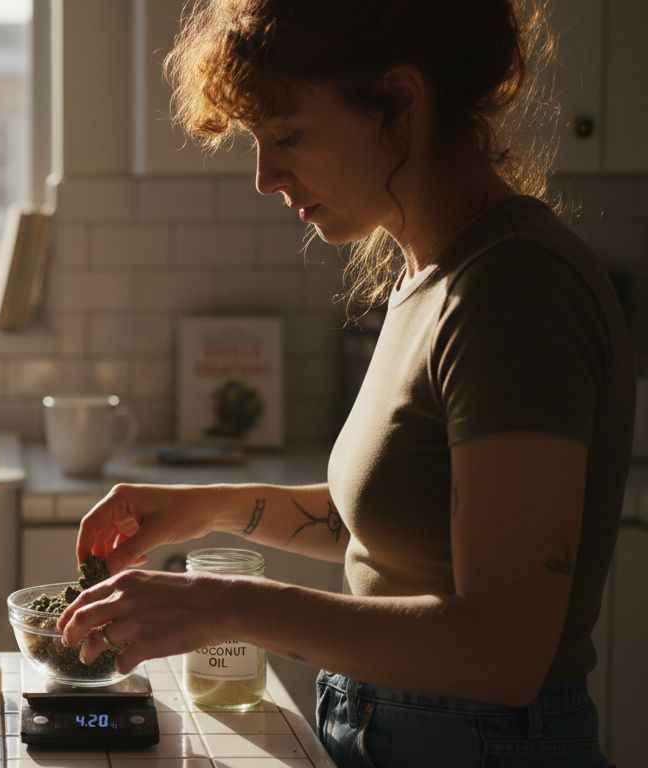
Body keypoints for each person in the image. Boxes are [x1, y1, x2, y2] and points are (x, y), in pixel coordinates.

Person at [54, 0, 635, 765]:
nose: (265, 177)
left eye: (287, 135)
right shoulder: (429, 274)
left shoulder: (514, 288)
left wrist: (225, 606)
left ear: (400, 102)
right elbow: (392, 529)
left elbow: (504, 650)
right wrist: (199, 511)